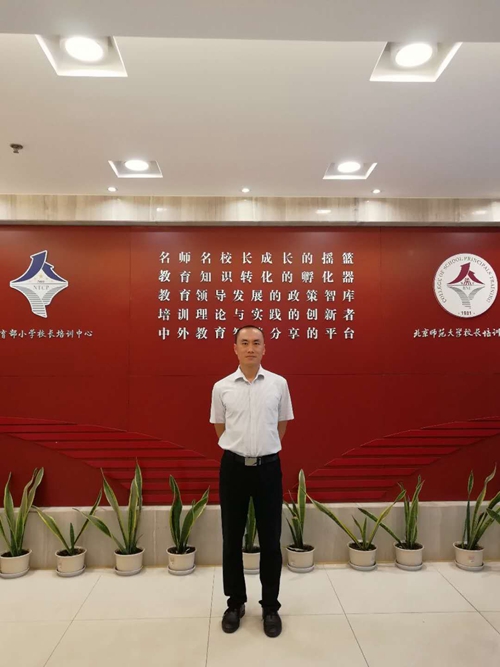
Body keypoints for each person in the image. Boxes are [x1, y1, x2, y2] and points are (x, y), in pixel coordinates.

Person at [210, 325, 294, 638]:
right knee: (231, 538)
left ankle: (270, 606)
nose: (250, 348)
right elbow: (220, 427)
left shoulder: (278, 384)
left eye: (256, 343)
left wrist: (261, 450)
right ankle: (235, 603)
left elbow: (281, 425)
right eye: (244, 343)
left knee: (271, 540)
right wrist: (242, 450)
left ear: (264, 348)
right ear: (235, 348)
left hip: (268, 469)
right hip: (233, 469)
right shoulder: (221, 387)